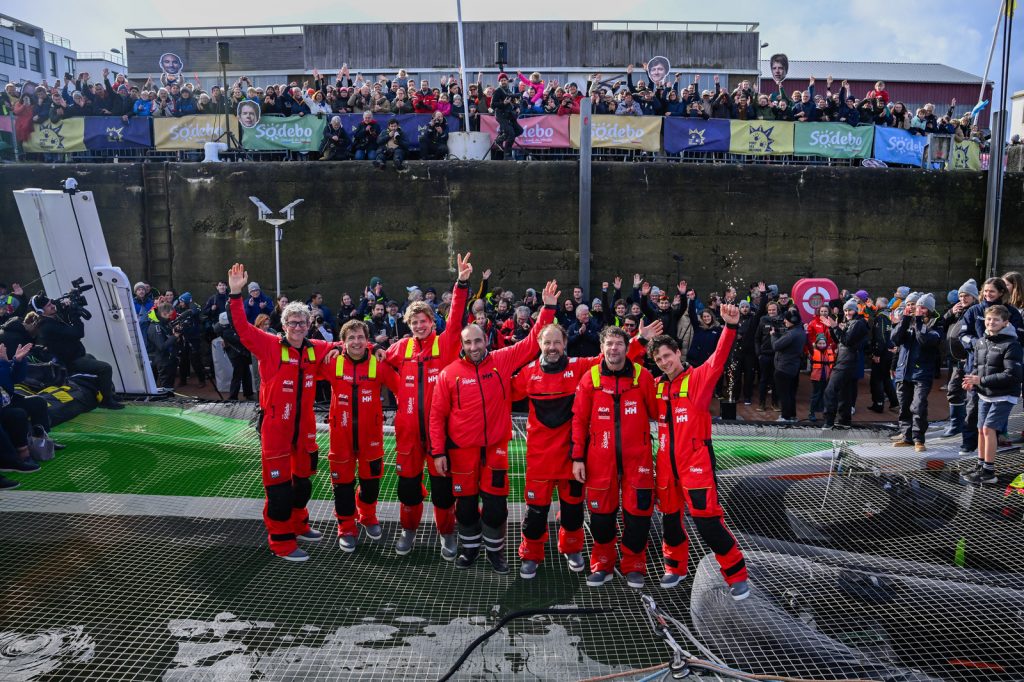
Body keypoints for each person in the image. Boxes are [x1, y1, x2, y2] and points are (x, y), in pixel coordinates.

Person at [512, 317, 658, 580]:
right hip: (539, 458)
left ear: (565, 344)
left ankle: (572, 548)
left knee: (572, 510)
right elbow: (500, 393)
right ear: (540, 344)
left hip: (572, 457)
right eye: (548, 342)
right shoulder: (527, 374)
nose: (553, 347)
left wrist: (641, 339)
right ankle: (531, 554)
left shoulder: (580, 368)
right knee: (535, 513)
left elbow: (612, 357)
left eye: (557, 342)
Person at [430, 282, 558, 574]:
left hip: (496, 449)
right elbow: (436, 416)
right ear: (462, 346)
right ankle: (469, 549)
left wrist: (548, 309)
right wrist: (438, 452)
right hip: (461, 451)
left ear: (485, 340)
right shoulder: (449, 374)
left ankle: (495, 552)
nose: (474, 347)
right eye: (468, 343)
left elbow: (531, 343)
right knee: (464, 506)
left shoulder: (501, 360)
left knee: (496, 507)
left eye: (478, 341)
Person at [226, 263, 341, 562]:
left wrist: (374, 348)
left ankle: (299, 525)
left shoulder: (314, 348)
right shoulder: (269, 345)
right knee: (278, 489)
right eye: (293, 322)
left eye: (303, 322)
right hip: (276, 428)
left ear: (308, 324)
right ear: (285, 324)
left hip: (304, 428)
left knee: (302, 482)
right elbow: (241, 327)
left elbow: (346, 344)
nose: (299, 327)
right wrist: (236, 293)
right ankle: (280, 540)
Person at [649, 304, 750, 599]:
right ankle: (675, 567)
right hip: (666, 467)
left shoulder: (698, 380)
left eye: (668, 355)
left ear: (678, 353)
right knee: (670, 520)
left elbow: (718, 359)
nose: (664, 362)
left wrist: (730, 327)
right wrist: (638, 341)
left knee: (708, 523)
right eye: (659, 359)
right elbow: (622, 373)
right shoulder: (655, 387)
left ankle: (736, 574)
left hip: (696, 464)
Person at [382, 253, 472, 558]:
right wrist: (341, 350)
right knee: (408, 490)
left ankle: (447, 534)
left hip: (439, 435)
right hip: (407, 435)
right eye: (414, 322)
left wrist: (461, 283)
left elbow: (458, 314)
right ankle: (408, 532)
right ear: (408, 325)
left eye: (424, 321)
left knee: (443, 492)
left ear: (432, 322)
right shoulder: (401, 348)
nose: (419, 326)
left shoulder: (445, 343)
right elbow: (374, 355)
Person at [571, 326, 658, 589]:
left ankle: (633, 565)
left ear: (626, 347)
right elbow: (579, 420)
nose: (614, 349)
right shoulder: (590, 378)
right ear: (601, 348)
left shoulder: (643, 377)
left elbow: (656, 411)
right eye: (609, 344)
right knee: (600, 517)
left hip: (638, 460)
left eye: (619, 344)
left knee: (639, 516)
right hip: (599, 460)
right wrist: (577, 457)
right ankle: (602, 563)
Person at [319, 319, 401, 551]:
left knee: (371, 483)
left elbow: (401, 389)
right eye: (351, 338)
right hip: (340, 437)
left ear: (367, 341)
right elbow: (307, 362)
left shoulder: (379, 363)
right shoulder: (332, 362)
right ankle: (346, 527)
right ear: (343, 342)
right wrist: (333, 348)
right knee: (342, 486)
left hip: (371, 437)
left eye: (360, 338)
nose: (356, 342)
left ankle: (367, 515)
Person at [962, 305, 1023, 485]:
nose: (991, 322)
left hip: (1004, 395)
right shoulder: (981, 341)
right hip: (985, 394)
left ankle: (989, 471)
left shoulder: (1012, 344)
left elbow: (1013, 374)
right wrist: (970, 381)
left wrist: (980, 380)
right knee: (981, 429)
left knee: (989, 429)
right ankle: (981, 465)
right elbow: (977, 366)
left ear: (1005, 323)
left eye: (996, 320)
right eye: (988, 319)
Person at [31, 294, 123, 409]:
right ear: (40, 311)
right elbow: (78, 333)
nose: (53, 306)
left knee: (92, 358)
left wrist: (68, 310)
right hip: (70, 361)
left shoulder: (50, 320)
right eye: (49, 305)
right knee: (105, 368)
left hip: (75, 355)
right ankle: (107, 401)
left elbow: (67, 328)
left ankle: (109, 394)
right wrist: (75, 316)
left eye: (51, 303)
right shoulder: (46, 326)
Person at [891, 294, 941, 451]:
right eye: (914, 306)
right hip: (903, 372)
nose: (916, 309)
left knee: (918, 406)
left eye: (922, 307)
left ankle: (919, 439)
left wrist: (918, 321)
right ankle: (906, 437)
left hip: (922, 373)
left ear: (929, 310)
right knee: (904, 406)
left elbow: (924, 340)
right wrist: (905, 319)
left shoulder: (935, 324)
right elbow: (895, 339)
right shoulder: (908, 322)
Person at [823, 300, 869, 429]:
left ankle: (829, 421)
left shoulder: (857, 323)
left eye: (850, 310)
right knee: (844, 392)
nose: (848, 312)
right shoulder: (851, 322)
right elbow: (839, 339)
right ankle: (844, 420)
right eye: (846, 310)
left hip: (846, 361)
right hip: (845, 360)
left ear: (856, 310)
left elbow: (847, 341)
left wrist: (835, 327)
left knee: (830, 391)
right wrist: (832, 328)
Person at [941, 280, 978, 436]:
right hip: (956, 359)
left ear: (974, 297)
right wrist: (950, 313)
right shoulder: (957, 310)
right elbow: (940, 324)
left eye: (967, 296)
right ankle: (958, 423)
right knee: (955, 390)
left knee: (957, 390)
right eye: (961, 296)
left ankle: (960, 425)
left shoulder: (975, 311)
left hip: (967, 360)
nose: (963, 299)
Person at [771, 308, 806, 423]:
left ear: (792, 320)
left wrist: (773, 335)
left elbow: (776, 346)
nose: (784, 321)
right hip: (793, 367)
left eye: (786, 320)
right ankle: (792, 416)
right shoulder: (800, 331)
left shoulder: (792, 334)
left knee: (784, 394)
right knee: (790, 393)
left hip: (784, 368)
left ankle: (785, 416)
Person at [217, 312, 254, 401]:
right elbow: (241, 339)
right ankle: (233, 397)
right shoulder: (228, 332)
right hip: (237, 355)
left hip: (238, 353)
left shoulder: (220, 327)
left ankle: (248, 393)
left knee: (246, 373)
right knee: (238, 375)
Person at [146, 303, 178, 390]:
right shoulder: (155, 327)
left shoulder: (162, 323)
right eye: (169, 315)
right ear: (163, 313)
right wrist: (174, 336)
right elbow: (161, 346)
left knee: (170, 385)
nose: (170, 317)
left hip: (168, 358)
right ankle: (167, 401)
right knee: (166, 387)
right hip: (162, 361)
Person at [490, 73, 523, 158]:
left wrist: (517, 107)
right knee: (511, 134)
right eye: (501, 80)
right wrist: (503, 103)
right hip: (501, 115)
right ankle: (507, 154)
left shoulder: (508, 90)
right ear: (499, 82)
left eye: (505, 80)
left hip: (509, 115)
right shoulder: (497, 91)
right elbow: (492, 105)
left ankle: (500, 139)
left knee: (519, 130)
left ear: (507, 81)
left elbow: (513, 102)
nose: (503, 82)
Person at [808, 334, 835, 422]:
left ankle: (824, 413)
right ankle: (811, 413)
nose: (822, 345)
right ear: (816, 343)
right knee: (816, 395)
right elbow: (808, 344)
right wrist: (807, 334)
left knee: (825, 396)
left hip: (826, 378)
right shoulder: (813, 351)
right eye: (820, 343)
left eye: (823, 343)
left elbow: (836, 342)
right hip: (816, 378)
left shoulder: (830, 350)